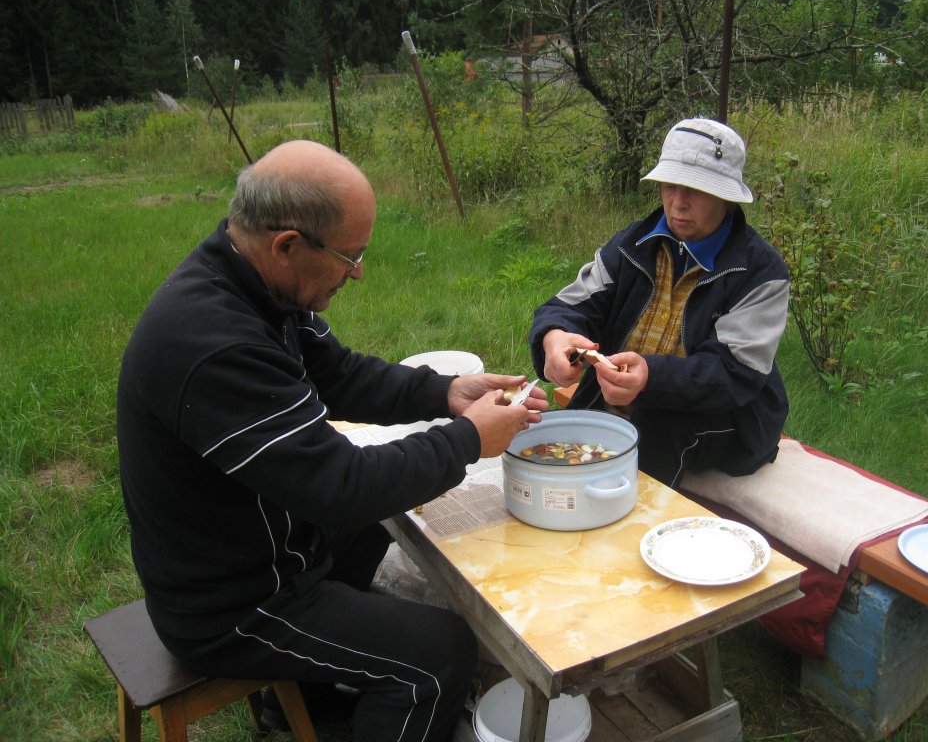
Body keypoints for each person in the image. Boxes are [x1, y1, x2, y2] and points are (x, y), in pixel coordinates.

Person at [116, 140, 548, 741]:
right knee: (438, 653)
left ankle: (308, 706)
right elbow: (341, 488)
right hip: (229, 606)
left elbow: (340, 373)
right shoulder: (216, 344)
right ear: (288, 244)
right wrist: (469, 439)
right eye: (351, 255)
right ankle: (377, 693)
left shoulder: (257, 281)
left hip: (263, 547)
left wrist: (445, 392)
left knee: (388, 517)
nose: (359, 271)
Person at [529, 118, 788, 489]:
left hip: (731, 417)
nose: (678, 203)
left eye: (696, 189)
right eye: (670, 185)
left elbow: (735, 373)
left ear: (727, 197)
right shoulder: (633, 244)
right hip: (625, 394)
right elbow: (572, 305)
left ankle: (633, 533)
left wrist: (650, 377)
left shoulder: (761, 272)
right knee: (563, 439)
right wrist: (555, 338)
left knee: (655, 428)